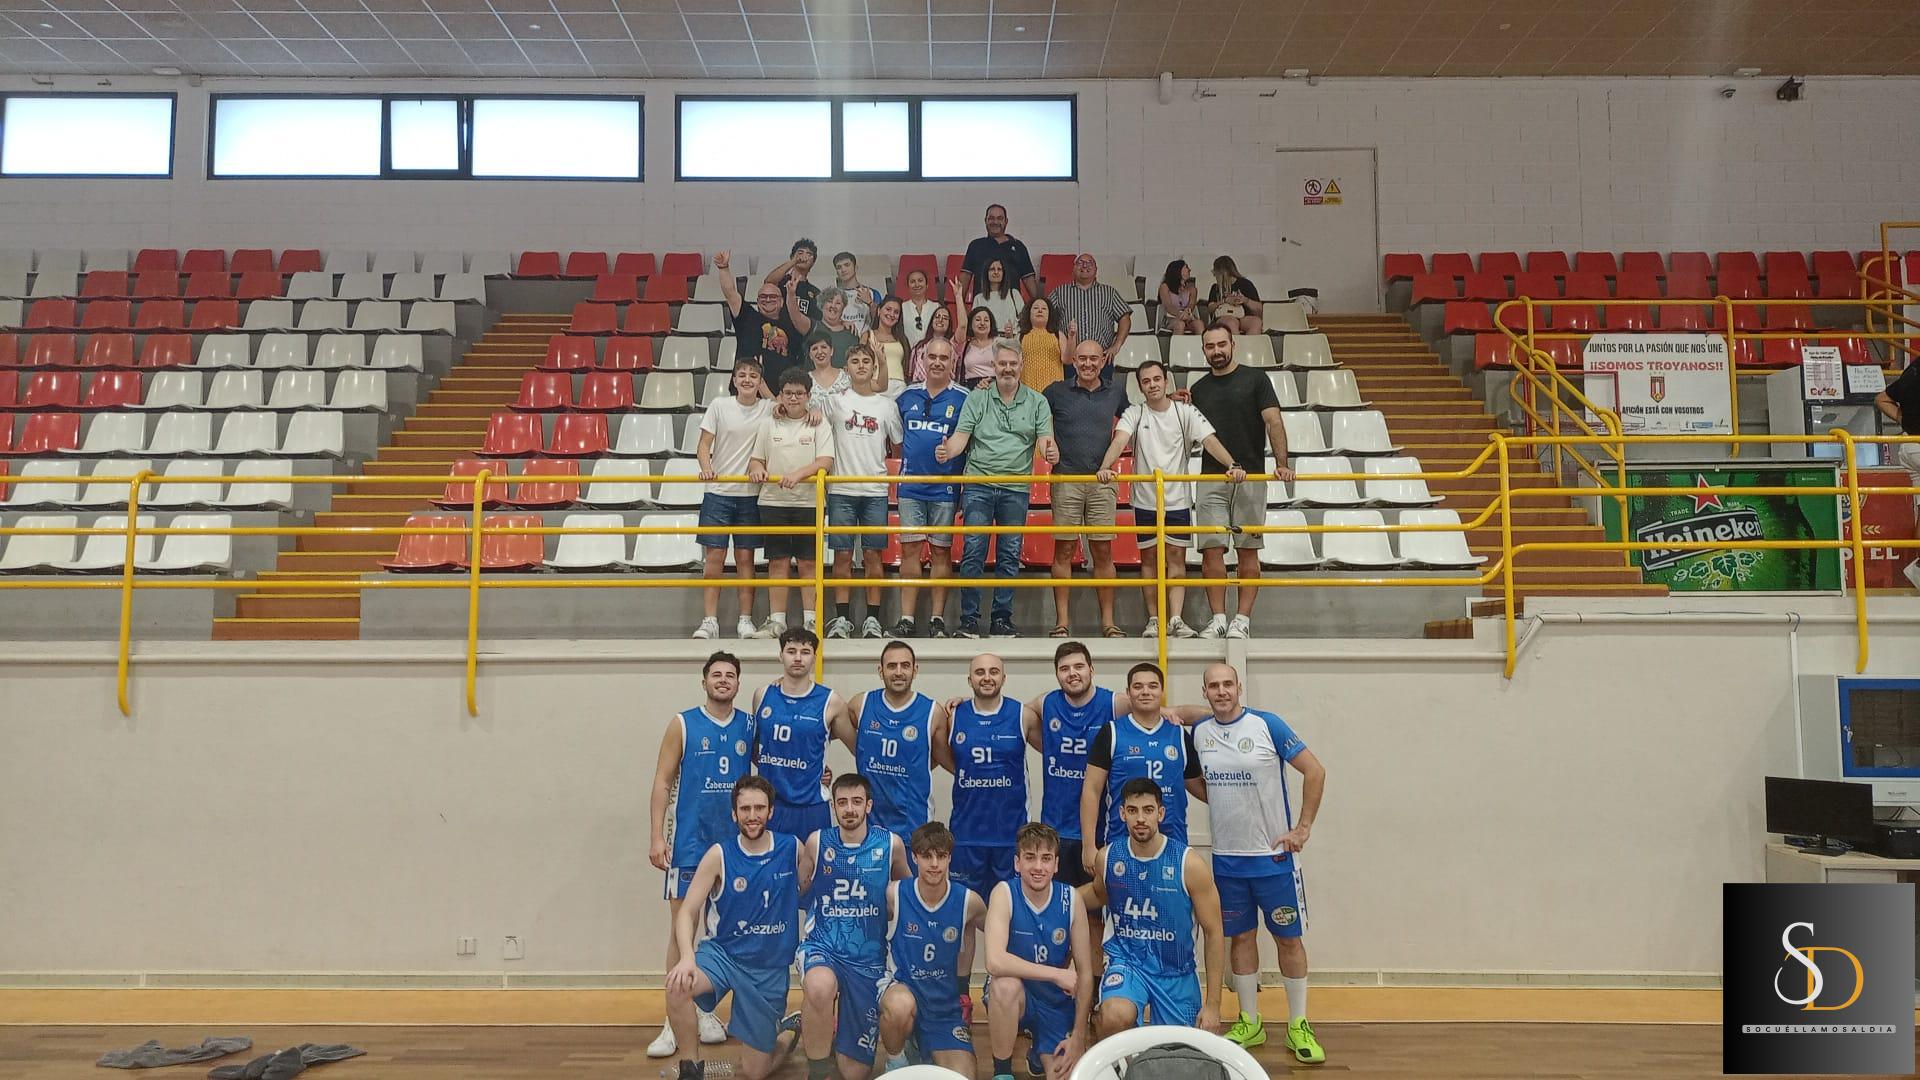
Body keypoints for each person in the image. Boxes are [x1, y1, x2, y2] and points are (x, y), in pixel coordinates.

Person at [1189, 662, 1328, 1063]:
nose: (1221, 691)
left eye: (1227, 684)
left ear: (1239, 687)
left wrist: (1301, 828)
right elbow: (1195, 780)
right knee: (1241, 939)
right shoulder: (1200, 733)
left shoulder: (1268, 725)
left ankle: (1298, 1023)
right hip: (1228, 861)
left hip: (1274, 859)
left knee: (1288, 939)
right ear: (1205, 692)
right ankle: (1250, 1020)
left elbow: (1315, 771)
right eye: (1213, 686)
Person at [664, 775, 812, 1080]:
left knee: (755, 1073)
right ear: (734, 814)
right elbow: (687, 912)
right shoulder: (719, 855)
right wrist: (687, 957)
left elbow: (813, 889)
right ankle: (690, 1068)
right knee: (678, 985)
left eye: (759, 808)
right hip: (723, 956)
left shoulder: (792, 848)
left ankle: (787, 1032)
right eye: (745, 809)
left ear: (771, 811)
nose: (752, 815)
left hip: (768, 968)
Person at [646, 651, 753, 1058]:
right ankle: (674, 1017)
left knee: (725, 929)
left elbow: (764, 778)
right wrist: (657, 836)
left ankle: (706, 1008)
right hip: (690, 843)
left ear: (738, 684)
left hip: (734, 847)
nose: (723, 680)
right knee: (682, 928)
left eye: (730, 675)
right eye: (716, 675)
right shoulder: (683, 723)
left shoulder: (750, 725)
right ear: (704, 681)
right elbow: (661, 780)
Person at [1098, 358, 1244, 639]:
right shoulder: (1135, 413)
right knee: (1149, 561)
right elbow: (1118, 441)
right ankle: (1154, 620)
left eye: (1156, 379)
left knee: (1176, 558)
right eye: (1146, 381)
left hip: (1177, 500)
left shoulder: (1184, 412)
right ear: (1140, 386)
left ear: (1166, 381)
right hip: (1145, 500)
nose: (1152, 385)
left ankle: (1176, 619)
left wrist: (1232, 464)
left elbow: (1210, 440)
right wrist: (1106, 467)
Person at [1078, 778, 1224, 1036]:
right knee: (1114, 1015)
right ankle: (1114, 1070)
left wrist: (1213, 1005)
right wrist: (1058, 900)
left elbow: (1214, 933)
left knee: (1178, 1054)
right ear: (1122, 814)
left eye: (1147, 810)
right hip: (1128, 964)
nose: (1140, 819)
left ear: (1160, 813)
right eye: (1133, 811)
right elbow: (1098, 895)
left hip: (1175, 971)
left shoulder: (1189, 864)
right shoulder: (1109, 857)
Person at [939, 346, 1059, 638]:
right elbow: (960, 439)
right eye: (1002, 363)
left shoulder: (1038, 401)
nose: (1007, 368)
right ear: (993, 365)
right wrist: (946, 451)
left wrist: (1050, 452)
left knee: (1009, 555)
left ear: (1022, 364)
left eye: (1013, 363)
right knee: (973, 552)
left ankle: (1001, 619)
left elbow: (1045, 441)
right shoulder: (978, 397)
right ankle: (969, 619)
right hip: (978, 485)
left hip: (1016, 488)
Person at [797, 773, 911, 1080]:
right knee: (819, 986)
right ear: (833, 806)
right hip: (823, 946)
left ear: (869, 805)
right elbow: (797, 889)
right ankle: (818, 1070)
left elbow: (907, 898)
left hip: (868, 959)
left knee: (855, 1073)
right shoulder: (818, 841)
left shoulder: (891, 845)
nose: (849, 809)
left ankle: (822, 1032)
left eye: (856, 802)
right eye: (843, 802)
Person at [1188, 322, 1294, 639]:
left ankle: (1242, 621)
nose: (1217, 351)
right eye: (1210, 346)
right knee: (1211, 550)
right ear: (1203, 349)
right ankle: (1219, 619)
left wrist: (1283, 464)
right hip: (1210, 478)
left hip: (1251, 477)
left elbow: (1274, 421)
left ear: (1233, 344)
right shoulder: (1200, 388)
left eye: (1222, 344)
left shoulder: (1256, 379)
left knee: (1248, 550)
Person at [983, 823, 1093, 1080]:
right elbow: (994, 962)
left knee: (1067, 1075)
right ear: (1017, 862)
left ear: (1056, 864)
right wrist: (1055, 974)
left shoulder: (1071, 899)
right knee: (1004, 986)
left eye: (1046, 859)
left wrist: (1078, 1036)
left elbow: (1086, 974)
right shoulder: (1004, 893)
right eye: (1030, 858)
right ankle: (1002, 1072)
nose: (1038, 867)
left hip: (1055, 1005)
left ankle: (1038, 1052)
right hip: (1018, 998)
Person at [878, 822, 988, 1075]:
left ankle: (924, 1045)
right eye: (927, 856)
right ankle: (897, 1061)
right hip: (904, 991)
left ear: (950, 857)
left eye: (941, 856)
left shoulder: (969, 901)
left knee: (964, 1075)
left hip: (944, 1008)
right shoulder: (895, 894)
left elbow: (1002, 934)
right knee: (899, 1007)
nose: (934, 864)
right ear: (914, 857)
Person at [1078, 661, 1200, 883]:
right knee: (1121, 912)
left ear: (1162, 691)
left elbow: (1196, 785)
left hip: (1172, 841)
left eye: (1152, 686)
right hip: (1121, 842)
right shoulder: (1111, 732)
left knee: (1171, 913)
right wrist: (1088, 845)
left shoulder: (1179, 735)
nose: (1145, 691)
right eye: (1138, 686)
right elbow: (1092, 789)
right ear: (1128, 692)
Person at [1021, 641, 1126, 887]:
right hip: (1055, 831)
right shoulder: (1046, 702)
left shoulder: (1114, 703)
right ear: (1057, 673)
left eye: (1079, 666)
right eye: (1064, 668)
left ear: (1092, 669)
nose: (1072, 673)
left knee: (1095, 912)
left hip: (1101, 831)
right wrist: (965, 701)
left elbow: (1158, 712)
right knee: (1057, 909)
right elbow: (1004, 714)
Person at [1042, 340, 1127, 637]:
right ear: (1073, 361)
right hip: (1065, 480)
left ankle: (1108, 623)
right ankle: (1061, 623)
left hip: (1102, 482)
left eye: (1094, 358)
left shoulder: (1116, 391)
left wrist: (1172, 397)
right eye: (1082, 359)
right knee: (1063, 551)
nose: (1088, 364)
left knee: (1103, 552)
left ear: (1103, 360)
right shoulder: (1055, 390)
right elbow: (1037, 418)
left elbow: (1141, 416)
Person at [936, 653, 1030, 905]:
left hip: (1010, 836)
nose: (987, 677)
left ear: (1003, 677)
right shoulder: (953, 716)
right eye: (980, 672)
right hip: (966, 836)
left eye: (993, 672)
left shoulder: (1023, 714)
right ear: (969, 679)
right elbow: (942, 756)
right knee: (963, 913)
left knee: (1011, 911)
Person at [823, 346, 902, 641]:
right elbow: (810, 420)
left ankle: (872, 619)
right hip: (841, 488)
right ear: (847, 369)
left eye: (866, 361)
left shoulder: (887, 406)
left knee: (873, 557)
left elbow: (897, 445)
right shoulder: (834, 403)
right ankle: (842, 619)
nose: (860, 366)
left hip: (875, 490)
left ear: (874, 368)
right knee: (842, 556)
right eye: (854, 361)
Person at [749, 368, 835, 637]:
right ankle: (777, 621)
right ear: (780, 396)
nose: (794, 398)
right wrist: (756, 470)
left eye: (799, 393)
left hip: (809, 503)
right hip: (773, 502)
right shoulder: (768, 423)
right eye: (788, 393)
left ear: (808, 396)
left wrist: (798, 475)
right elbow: (756, 459)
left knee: (809, 563)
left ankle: (811, 620)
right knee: (778, 562)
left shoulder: (819, 423)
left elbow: (826, 461)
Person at [893, 338, 968, 639]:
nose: (937, 362)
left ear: (953, 362)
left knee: (941, 552)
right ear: (922, 360)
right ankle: (906, 618)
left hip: (945, 490)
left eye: (944, 358)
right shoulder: (905, 396)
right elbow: (896, 439)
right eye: (932, 357)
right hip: (911, 487)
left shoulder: (965, 397)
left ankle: (937, 618)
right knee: (910, 551)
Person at [693, 358, 770, 640]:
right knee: (714, 560)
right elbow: (703, 445)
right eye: (742, 375)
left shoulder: (767, 408)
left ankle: (745, 620)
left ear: (760, 381)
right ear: (734, 380)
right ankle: (710, 620)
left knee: (746, 560)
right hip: (718, 494)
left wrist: (767, 390)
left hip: (751, 496)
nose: (747, 379)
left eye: (753, 375)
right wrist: (706, 469)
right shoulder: (719, 406)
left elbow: (788, 407)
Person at [751, 627, 851, 840]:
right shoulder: (762, 695)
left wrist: (817, 768)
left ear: (814, 658)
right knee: (769, 872)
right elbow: (756, 749)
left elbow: (859, 747)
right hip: (770, 806)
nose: (798, 658)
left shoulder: (831, 701)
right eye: (791, 651)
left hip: (811, 807)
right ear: (781, 655)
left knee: (811, 872)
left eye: (805, 652)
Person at [847, 640, 946, 836]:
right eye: (892, 666)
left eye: (905, 666)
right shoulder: (859, 705)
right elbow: (823, 731)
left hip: (914, 823)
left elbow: (942, 759)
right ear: (880, 670)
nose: (898, 672)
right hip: (868, 825)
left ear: (915, 670)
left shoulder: (933, 712)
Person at [716, 251, 800, 387]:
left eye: (773, 297)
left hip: (781, 395)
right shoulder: (747, 317)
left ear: (782, 302)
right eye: (763, 297)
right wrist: (723, 268)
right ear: (757, 301)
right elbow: (730, 293)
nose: (767, 300)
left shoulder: (792, 324)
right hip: (746, 392)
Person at [1873, 363, 1920, 591]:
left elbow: (1881, 398)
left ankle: (1919, 569)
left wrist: (1906, 421)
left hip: (1910, 446)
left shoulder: (1914, 369)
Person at [1047, 254, 1132, 365]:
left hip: (1102, 359)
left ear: (1096, 270)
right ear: (1073, 269)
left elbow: (1125, 318)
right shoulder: (1060, 292)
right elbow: (1045, 315)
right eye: (1080, 262)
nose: (1085, 265)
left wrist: (1116, 346)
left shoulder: (1109, 292)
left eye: (1089, 263)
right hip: (1069, 360)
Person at [958, 203, 1040, 302]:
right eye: (991, 218)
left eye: (1000, 218)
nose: (995, 222)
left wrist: (1037, 302)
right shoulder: (975, 246)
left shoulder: (1018, 247)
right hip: (982, 309)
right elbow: (965, 277)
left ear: (1006, 221)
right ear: (985, 221)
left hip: (1012, 307)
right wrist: (959, 305)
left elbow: (1028, 279)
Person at [793, 287, 860, 369]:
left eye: (838, 303)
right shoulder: (812, 327)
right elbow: (795, 316)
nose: (833, 306)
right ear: (822, 305)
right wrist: (791, 294)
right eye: (829, 301)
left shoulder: (852, 332)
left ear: (843, 308)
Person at [1019, 295, 1074, 394]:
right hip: (1027, 392)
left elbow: (1068, 360)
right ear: (1029, 313)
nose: (1040, 311)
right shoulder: (1020, 337)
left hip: (1054, 393)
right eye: (1035, 308)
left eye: (1044, 309)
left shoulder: (1058, 335)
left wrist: (1072, 337)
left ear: (1050, 314)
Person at [763, 238, 821, 320]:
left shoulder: (816, 292)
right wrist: (794, 261)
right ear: (792, 257)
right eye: (800, 252)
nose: (804, 256)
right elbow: (769, 282)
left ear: (813, 262)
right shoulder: (781, 281)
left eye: (809, 254)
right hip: (779, 330)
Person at [1206, 255, 1264, 334]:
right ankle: (1237, 346)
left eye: (1215, 271)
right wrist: (1225, 301)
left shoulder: (1245, 284)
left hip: (1243, 317)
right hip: (1225, 316)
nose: (1213, 274)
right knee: (1231, 323)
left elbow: (1259, 309)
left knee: (1256, 322)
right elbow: (1210, 308)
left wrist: (1244, 300)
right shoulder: (1216, 287)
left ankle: (1250, 345)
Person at [860, 296, 908, 392]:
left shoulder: (901, 338)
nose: (891, 314)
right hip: (876, 385)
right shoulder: (868, 335)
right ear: (878, 311)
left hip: (900, 387)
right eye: (888, 309)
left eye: (896, 312)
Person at [830, 251, 883, 333]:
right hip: (841, 342)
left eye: (847, 265)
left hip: (865, 342)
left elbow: (881, 321)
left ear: (856, 267)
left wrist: (870, 303)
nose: (843, 269)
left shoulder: (872, 293)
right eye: (839, 267)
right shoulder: (832, 297)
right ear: (837, 272)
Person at [906, 304, 955, 384]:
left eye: (945, 318)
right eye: (937, 317)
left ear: (949, 324)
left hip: (943, 389)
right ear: (932, 320)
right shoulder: (919, 347)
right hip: (919, 389)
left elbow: (963, 327)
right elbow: (910, 374)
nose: (940, 320)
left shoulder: (952, 346)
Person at [975, 258, 1026, 335]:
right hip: (988, 340)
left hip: (1011, 340)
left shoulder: (1014, 294)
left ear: (1003, 273)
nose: (996, 272)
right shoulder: (979, 298)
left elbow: (1024, 321)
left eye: (999, 269)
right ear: (986, 273)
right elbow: (974, 324)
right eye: (992, 269)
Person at [899, 269, 942, 351]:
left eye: (920, 280)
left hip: (931, 353)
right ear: (908, 286)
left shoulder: (936, 307)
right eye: (912, 281)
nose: (917, 284)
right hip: (908, 354)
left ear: (927, 285)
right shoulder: (902, 307)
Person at [958, 305, 1002, 385]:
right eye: (978, 320)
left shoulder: (999, 343)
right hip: (971, 388)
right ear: (971, 323)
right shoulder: (964, 344)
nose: (982, 323)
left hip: (995, 386)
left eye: (986, 320)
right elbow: (962, 326)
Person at [1157, 259, 1203, 334]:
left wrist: (1187, 313)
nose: (1189, 270)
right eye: (1186, 267)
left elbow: (1191, 305)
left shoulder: (1192, 289)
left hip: (1188, 318)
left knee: (1199, 324)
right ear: (1178, 270)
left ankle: (1200, 345)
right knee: (1180, 324)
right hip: (1170, 319)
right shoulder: (1164, 287)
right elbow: (1168, 306)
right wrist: (1181, 314)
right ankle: (1177, 346)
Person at [805, 334, 850, 407]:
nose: (819, 352)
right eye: (814, 348)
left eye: (824, 347)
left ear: (831, 351)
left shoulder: (846, 376)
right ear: (810, 355)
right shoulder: (804, 380)